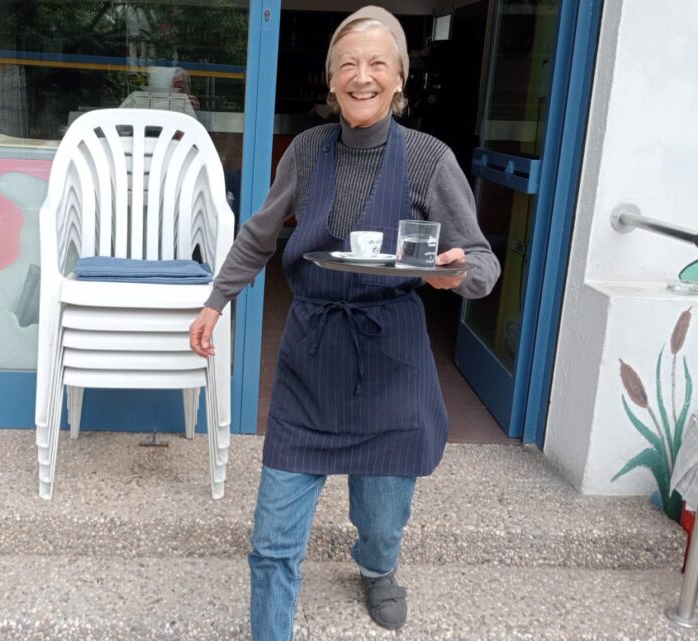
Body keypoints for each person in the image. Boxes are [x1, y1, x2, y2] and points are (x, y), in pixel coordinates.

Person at [188, 6, 500, 639]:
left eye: (378, 63)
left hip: (393, 357)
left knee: (382, 518)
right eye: (348, 64)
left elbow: (484, 263)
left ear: (399, 78)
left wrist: (453, 276)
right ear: (330, 81)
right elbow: (260, 233)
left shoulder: (429, 159)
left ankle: (379, 568)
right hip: (314, 353)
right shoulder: (307, 151)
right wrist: (214, 300)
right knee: (273, 542)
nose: (363, 76)